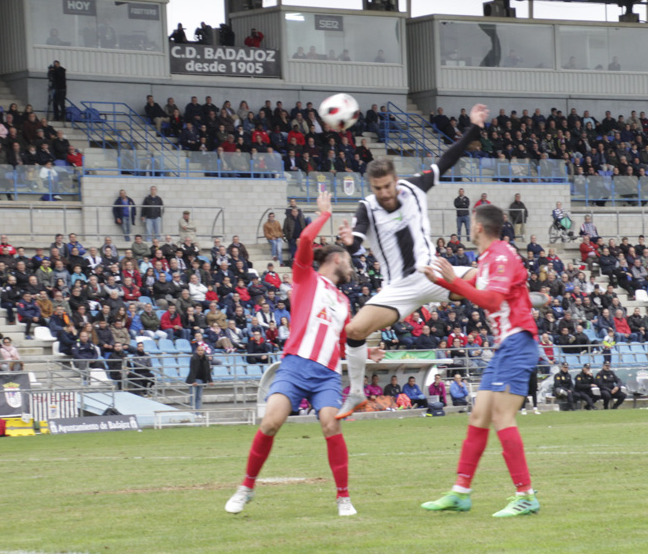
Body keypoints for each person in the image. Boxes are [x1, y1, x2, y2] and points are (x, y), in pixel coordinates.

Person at [226, 191, 381, 518]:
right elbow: (304, 241)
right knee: (270, 423)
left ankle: (343, 498)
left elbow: (345, 343)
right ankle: (246, 488)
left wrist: (369, 352)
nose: (352, 267)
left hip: (325, 374)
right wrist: (322, 214)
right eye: (349, 260)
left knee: (330, 425)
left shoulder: (343, 302)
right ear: (336, 259)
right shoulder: (305, 278)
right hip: (295, 367)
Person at [334, 103, 489, 419]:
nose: (385, 193)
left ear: (395, 180)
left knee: (482, 276)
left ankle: (522, 301)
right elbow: (358, 240)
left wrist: (474, 128)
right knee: (354, 330)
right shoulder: (366, 207)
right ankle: (356, 393)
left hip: (432, 272)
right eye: (378, 189)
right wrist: (349, 245)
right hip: (398, 288)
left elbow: (449, 157)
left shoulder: (414, 187)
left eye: (388, 186)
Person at [419, 203, 541, 517]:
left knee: (502, 417)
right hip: (506, 346)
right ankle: (461, 492)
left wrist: (454, 281)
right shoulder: (489, 258)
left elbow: (491, 300)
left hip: (517, 341)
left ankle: (525, 495)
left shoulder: (500, 256)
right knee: (479, 417)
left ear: (477, 226)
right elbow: (468, 290)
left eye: (471, 221)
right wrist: (439, 279)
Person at [185, 343, 212, 410]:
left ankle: (198, 412)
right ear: (197, 351)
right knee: (193, 397)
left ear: (204, 351)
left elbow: (208, 370)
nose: (200, 352)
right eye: (199, 350)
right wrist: (193, 381)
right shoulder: (194, 358)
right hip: (194, 380)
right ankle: (193, 412)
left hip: (201, 380)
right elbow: (192, 370)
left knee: (199, 397)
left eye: (202, 350)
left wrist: (210, 380)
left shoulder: (206, 358)